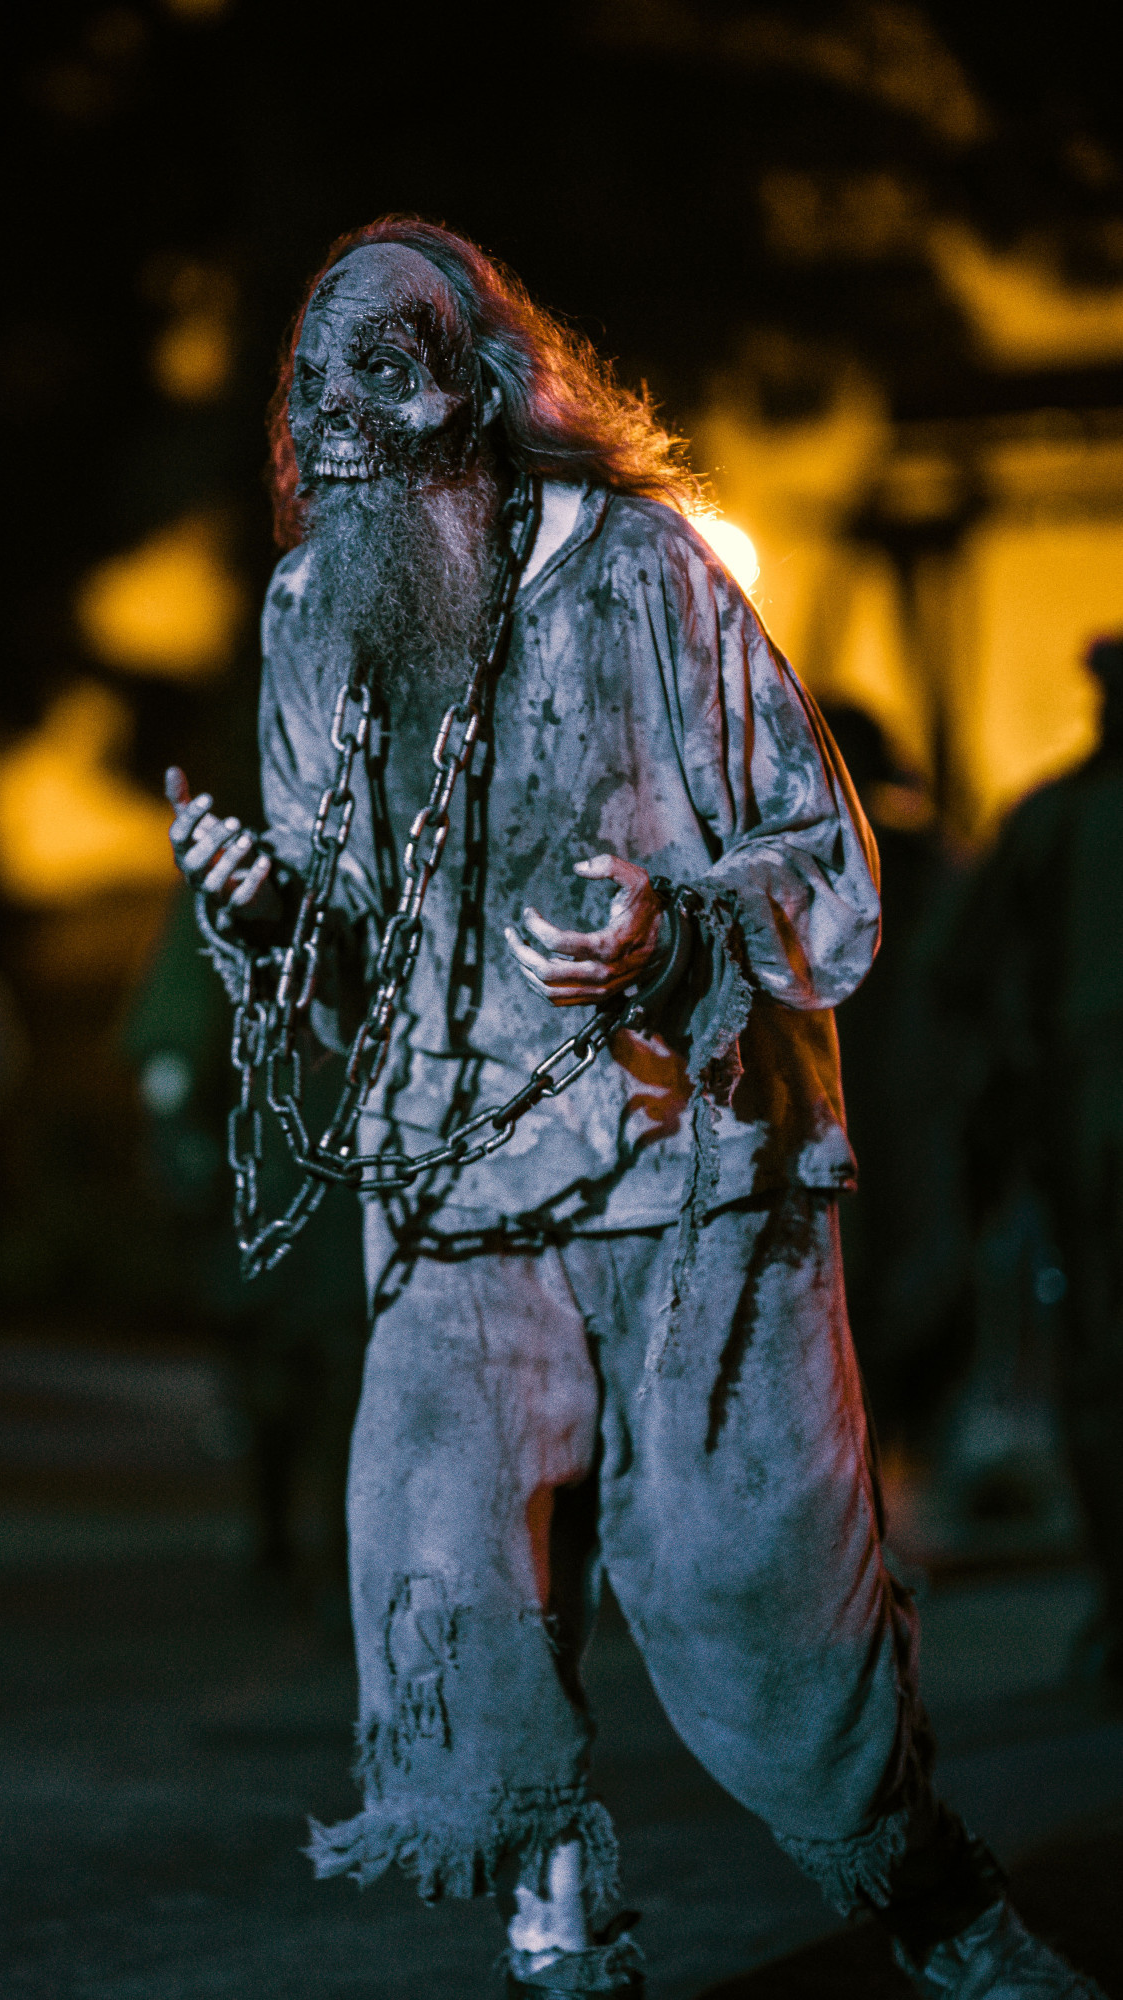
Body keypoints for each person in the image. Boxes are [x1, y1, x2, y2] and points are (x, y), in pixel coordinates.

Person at [168, 221, 1105, 1999]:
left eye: (390, 371)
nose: (343, 416)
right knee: (449, 1586)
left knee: (765, 1601)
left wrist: (667, 926)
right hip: (449, 1205)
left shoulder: (646, 574)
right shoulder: (311, 612)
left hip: (691, 1188)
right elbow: (330, 889)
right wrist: (255, 904)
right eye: (315, 385)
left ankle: (931, 1899)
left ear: (482, 385)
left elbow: (822, 861)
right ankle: (555, 1933)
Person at [936, 634, 1123, 1695]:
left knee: (1100, 1373)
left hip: (1086, 1126)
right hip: (1082, 1119)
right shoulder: (1050, 823)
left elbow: (957, 975)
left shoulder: (1051, 821)